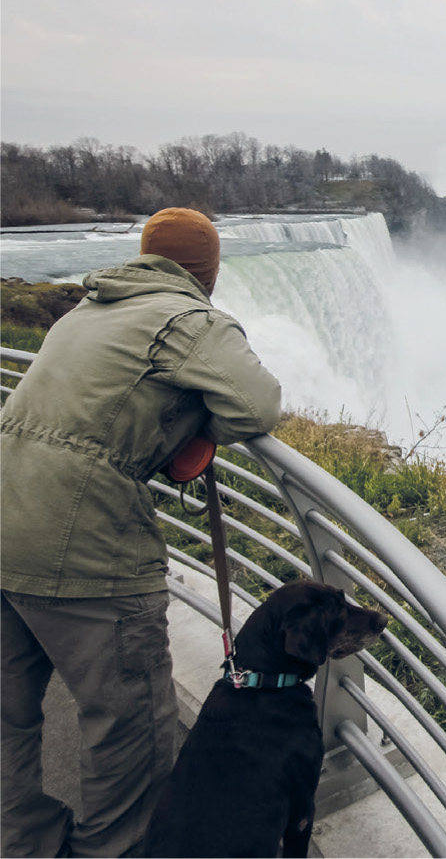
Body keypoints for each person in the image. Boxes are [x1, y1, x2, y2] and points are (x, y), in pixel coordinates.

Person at [1, 208, 282, 857]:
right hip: (85, 550)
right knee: (128, 733)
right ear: (206, 273)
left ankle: (28, 846)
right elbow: (257, 403)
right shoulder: (190, 320)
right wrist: (198, 428)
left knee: (9, 722)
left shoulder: (86, 309)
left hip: (5, 523)